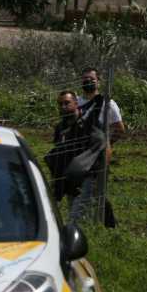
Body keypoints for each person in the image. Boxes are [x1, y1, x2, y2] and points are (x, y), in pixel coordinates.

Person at [45, 90, 107, 224]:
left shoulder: (88, 122)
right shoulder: (60, 128)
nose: (63, 107)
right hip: (70, 178)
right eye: (60, 104)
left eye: (67, 103)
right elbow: (59, 153)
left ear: (76, 103)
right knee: (76, 212)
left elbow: (98, 102)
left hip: (87, 176)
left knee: (76, 218)